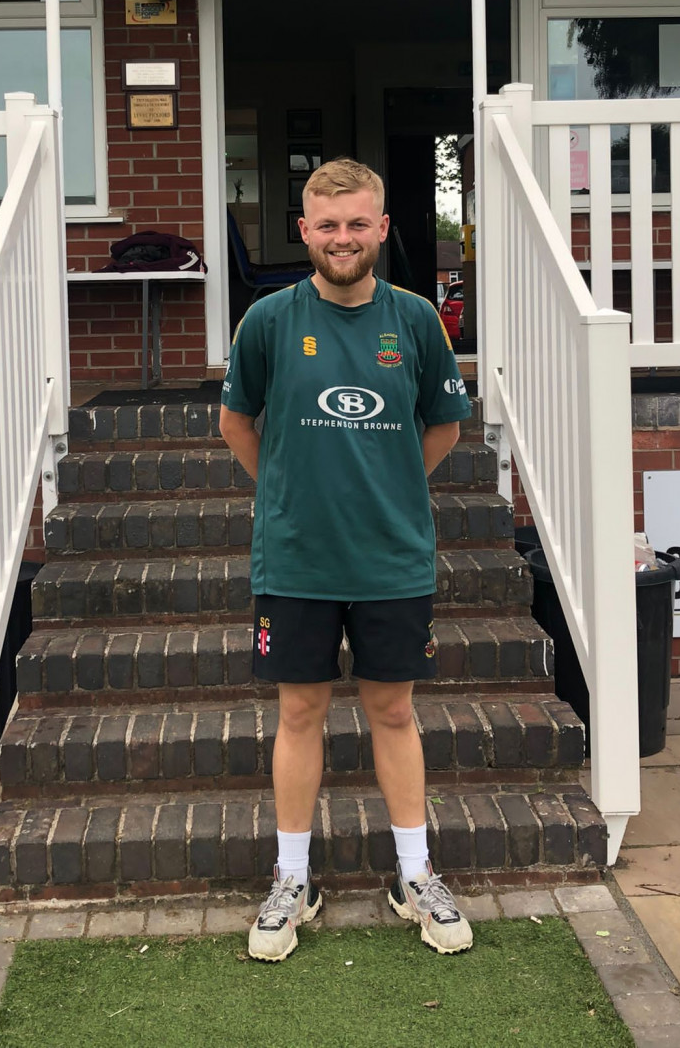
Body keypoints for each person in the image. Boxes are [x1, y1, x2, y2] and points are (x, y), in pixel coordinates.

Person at [218, 157, 474, 964]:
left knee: (393, 710)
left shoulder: (417, 321)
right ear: (303, 231)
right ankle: (292, 881)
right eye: (327, 225)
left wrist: (387, 489)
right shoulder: (265, 320)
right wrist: (293, 492)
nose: (342, 238)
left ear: (384, 228)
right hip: (296, 557)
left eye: (358, 223)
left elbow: (444, 426)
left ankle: (415, 875)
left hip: (392, 557)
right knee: (299, 712)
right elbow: (237, 424)